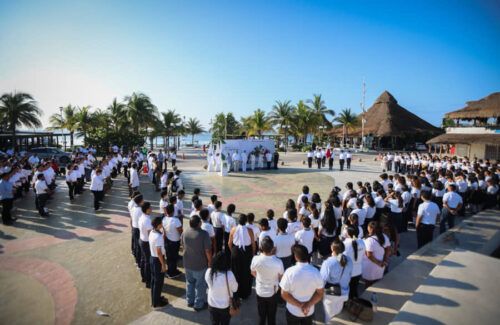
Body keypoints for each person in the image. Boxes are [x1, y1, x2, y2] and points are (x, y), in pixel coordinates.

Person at [280, 244, 324, 325]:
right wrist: (307, 305)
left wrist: (300, 305)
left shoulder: (289, 272)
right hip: (309, 311)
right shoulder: (316, 272)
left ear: (296, 257)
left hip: (293, 311)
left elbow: (284, 294)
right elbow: (320, 293)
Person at [251, 237, 284, 325]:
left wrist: (260, 278)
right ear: (273, 248)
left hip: (260, 291)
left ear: (261, 247)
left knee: (261, 316)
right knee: (272, 317)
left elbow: (252, 272)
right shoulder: (278, 262)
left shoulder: (255, 259)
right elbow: (281, 277)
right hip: (273, 292)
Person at [182, 215, 213, 311]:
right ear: (199, 223)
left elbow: (183, 245)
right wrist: (210, 262)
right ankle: (199, 304)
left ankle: (189, 300)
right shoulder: (204, 234)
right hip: (200, 264)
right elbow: (208, 250)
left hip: (187, 262)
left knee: (190, 282)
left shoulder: (185, 232)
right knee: (200, 284)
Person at [320, 240, 353, 323]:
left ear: (332, 249)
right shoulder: (349, 260)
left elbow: (322, 281)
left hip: (331, 295)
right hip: (344, 292)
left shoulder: (328, 263)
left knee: (329, 318)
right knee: (338, 315)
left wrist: (319, 295)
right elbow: (349, 275)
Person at [205, 252, 238, 325]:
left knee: (214, 322)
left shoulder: (209, 272)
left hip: (212, 304)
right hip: (225, 306)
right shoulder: (229, 275)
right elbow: (235, 289)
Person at [228, 214, 256, 299]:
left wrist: (232, 251)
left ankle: (235, 292)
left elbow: (229, 243)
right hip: (246, 252)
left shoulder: (233, 229)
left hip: (236, 251)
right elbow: (253, 244)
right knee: (246, 272)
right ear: (246, 221)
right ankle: (245, 293)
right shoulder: (249, 230)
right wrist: (253, 253)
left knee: (236, 272)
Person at [362, 221, 391, 287]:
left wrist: (379, 263)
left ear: (370, 228)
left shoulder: (370, 240)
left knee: (368, 284)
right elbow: (388, 249)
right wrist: (385, 260)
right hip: (380, 266)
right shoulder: (384, 236)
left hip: (370, 266)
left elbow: (369, 255)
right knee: (376, 283)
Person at [149, 216, 168, 308]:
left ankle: (155, 298)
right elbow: (159, 252)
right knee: (158, 282)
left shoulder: (152, 232)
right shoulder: (158, 236)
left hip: (152, 258)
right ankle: (156, 303)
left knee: (154, 281)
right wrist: (163, 265)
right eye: (161, 223)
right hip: (158, 260)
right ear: (159, 224)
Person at [343, 226, 366, 299]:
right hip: (358, 270)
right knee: (354, 287)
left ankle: (348, 302)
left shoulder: (345, 244)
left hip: (348, 271)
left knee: (346, 289)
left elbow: (342, 258)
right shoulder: (362, 242)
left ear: (348, 233)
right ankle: (354, 300)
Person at [163, 204, 183, 278]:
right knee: (174, 257)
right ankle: (172, 272)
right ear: (173, 211)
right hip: (175, 242)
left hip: (167, 240)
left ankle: (171, 270)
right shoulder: (176, 220)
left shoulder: (164, 219)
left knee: (169, 257)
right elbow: (180, 231)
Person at [138, 202, 153, 288]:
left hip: (142, 240)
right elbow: (150, 233)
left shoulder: (142, 217)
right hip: (146, 242)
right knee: (147, 262)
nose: (151, 209)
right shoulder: (147, 220)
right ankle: (148, 281)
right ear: (147, 209)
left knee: (143, 260)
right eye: (150, 207)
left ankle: (143, 277)